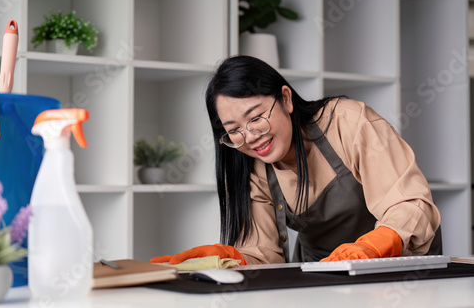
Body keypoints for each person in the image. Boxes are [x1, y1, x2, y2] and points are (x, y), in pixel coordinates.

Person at [151, 55, 442, 265]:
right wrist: (229, 257)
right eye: (234, 131)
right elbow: (264, 254)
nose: (250, 137)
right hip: (321, 275)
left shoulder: (348, 122)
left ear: (286, 99)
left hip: (399, 270)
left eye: (256, 117)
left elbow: (410, 203)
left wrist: (374, 246)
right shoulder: (251, 168)